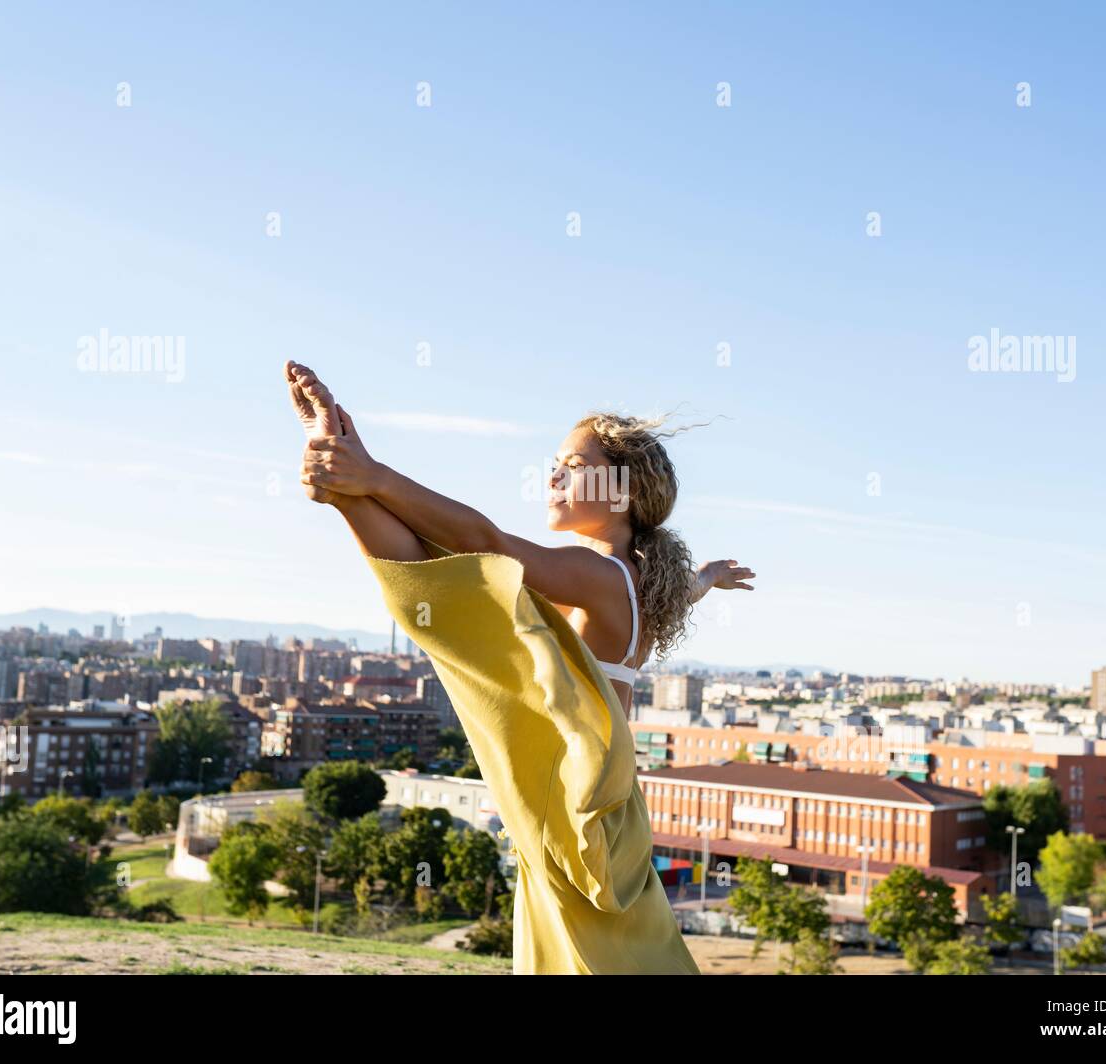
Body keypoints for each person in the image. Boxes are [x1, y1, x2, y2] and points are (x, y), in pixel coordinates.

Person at [284, 360, 755, 973]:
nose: (554, 473)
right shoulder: (640, 585)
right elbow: (681, 590)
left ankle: (345, 478)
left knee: (460, 594)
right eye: (555, 462)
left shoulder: (603, 576)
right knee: (448, 589)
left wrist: (373, 477)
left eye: (576, 465)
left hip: (575, 797)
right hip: (598, 803)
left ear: (623, 493)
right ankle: (342, 478)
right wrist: (709, 579)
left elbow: (490, 543)